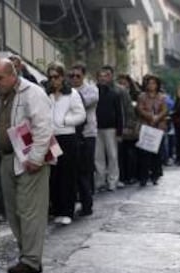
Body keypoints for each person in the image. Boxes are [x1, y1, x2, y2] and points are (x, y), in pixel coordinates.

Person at [0, 58, 52, 273]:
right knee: (14, 211)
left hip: (29, 160)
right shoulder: (3, 97)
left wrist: (36, 158)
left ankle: (31, 260)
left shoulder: (33, 93)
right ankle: (27, 254)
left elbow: (43, 127)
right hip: (8, 158)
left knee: (29, 211)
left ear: (12, 74)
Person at [46, 62, 86, 225]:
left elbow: (81, 115)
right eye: (50, 77)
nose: (53, 80)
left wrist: (64, 121)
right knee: (53, 175)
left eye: (56, 76)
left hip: (67, 138)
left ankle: (67, 210)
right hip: (51, 139)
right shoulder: (45, 94)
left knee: (67, 175)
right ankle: (56, 209)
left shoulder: (72, 94)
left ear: (62, 77)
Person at [69, 62, 98, 215]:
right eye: (71, 76)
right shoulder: (67, 90)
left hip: (87, 134)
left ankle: (87, 204)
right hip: (71, 134)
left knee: (85, 170)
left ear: (83, 76)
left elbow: (82, 104)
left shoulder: (91, 90)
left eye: (77, 76)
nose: (74, 79)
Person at [95, 68, 123, 191]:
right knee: (98, 156)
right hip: (96, 128)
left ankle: (113, 181)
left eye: (105, 76)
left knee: (112, 155)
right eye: (100, 76)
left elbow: (119, 114)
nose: (102, 78)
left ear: (109, 78)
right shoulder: (93, 92)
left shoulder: (114, 94)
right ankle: (100, 181)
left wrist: (119, 131)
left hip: (111, 128)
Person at [137, 75, 167, 186]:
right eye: (149, 83)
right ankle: (143, 177)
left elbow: (164, 110)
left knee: (157, 153)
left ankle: (155, 175)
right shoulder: (142, 96)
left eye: (153, 83)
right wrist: (150, 116)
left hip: (158, 127)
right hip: (146, 127)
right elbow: (139, 109)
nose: (151, 85)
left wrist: (157, 117)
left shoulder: (162, 97)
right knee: (144, 154)